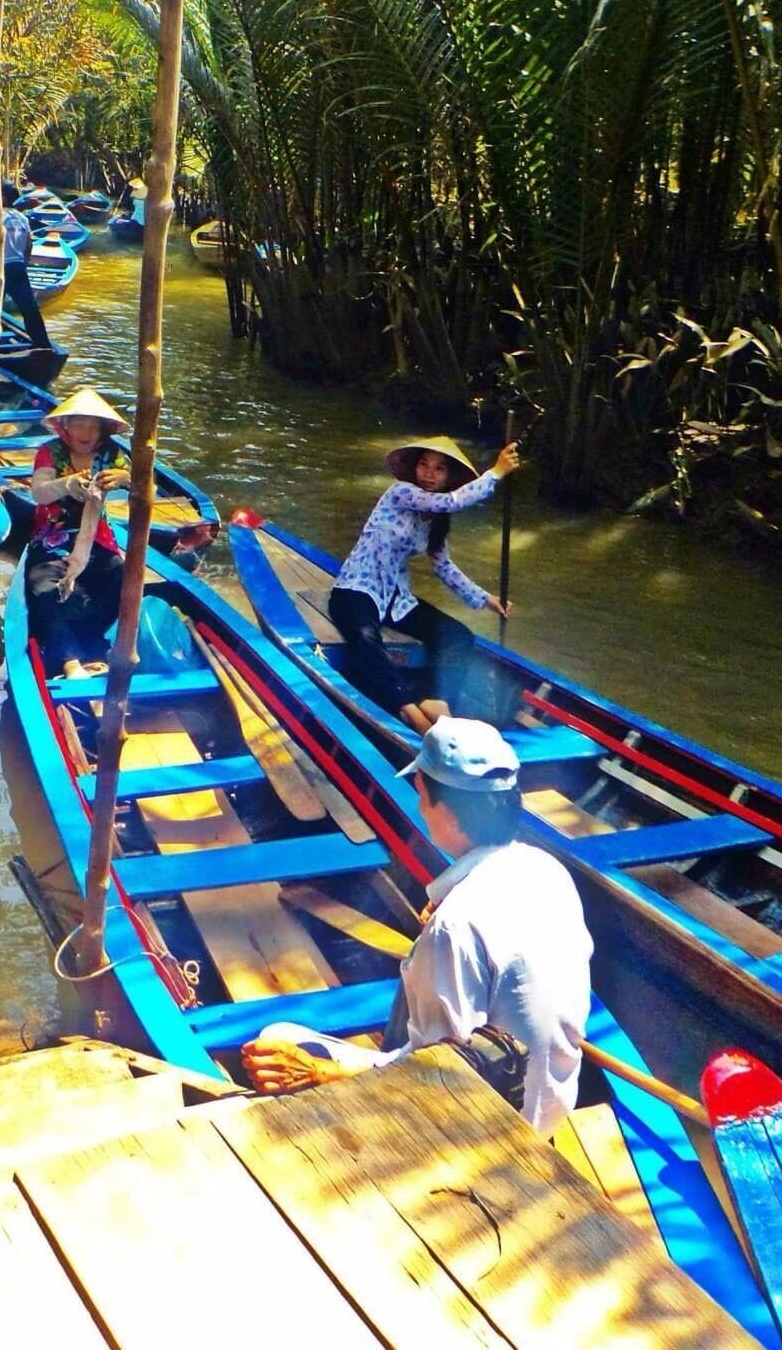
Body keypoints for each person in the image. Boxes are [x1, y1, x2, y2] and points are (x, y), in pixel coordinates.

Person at [243, 719, 591, 1135]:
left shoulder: (456, 923)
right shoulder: (545, 870)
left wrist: (319, 1074)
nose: (420, 806)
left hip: (485, 1130)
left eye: (422, 794)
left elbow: (444, 1089)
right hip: (548, 1104)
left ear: (442, 808)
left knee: (277, 1038)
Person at [328, 435, 520, 730]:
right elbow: (452, 501)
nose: (429, 474)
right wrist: (495, 473)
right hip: (355, 589)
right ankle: (409, 711)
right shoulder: (401, 492)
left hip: (396, 599)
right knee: (366, 639)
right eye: (424, 464)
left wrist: (485, 599)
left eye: (439, 468)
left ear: (450, 476)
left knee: (458, 636)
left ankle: (437, 700)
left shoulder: (436, 520)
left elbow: (443, 566)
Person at [25, 389, 131, 673]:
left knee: (122, 577)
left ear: (102, 431)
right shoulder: (51, 452)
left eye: (93, 426)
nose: (86, 432)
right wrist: (66, 484)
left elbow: (147, 488)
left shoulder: (112, 454)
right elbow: (40, 492)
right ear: (66, 427)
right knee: (42, 587)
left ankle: (95, 645)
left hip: (98, 537)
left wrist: (125, 478)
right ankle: (70, 660)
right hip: (52, 540)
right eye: (79, 424)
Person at [0, 179, 51, 351]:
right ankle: (42, 343)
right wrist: (23, 264)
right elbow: (29, 245)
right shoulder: (22, 217)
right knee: (29, 308)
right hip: (17, 267)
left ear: (1, 197)